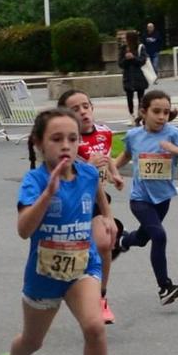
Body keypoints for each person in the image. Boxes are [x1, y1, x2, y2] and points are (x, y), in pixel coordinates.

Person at [0, 107, 124, 355]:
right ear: (39, 143)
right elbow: (24, 230)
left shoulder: (87, 173)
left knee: (95, 326)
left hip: (82, 265)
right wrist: (48, 193)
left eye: (73, 138)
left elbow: (97, 193)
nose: (66, 145)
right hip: (44, 274)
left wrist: (107, 217)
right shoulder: (34, 181)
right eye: (56, 139)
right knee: (32, 341)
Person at [113, 90, 178, 306]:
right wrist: (110, 169)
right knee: (158, 236)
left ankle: (121, 241)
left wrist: (175, 149)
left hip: (163, 198)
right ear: (143, 112)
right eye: (156, 111)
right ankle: (164, 287)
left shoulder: (174, 133)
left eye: (166, 112)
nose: (161, 117)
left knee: (142, 238)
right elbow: (127, 155)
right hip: (140, 199)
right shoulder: (134, 136)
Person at [58, 88, 123, 324]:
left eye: (86, 106)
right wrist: (86, 165)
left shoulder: (105, 132)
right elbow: (65, 174)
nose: (83, 112)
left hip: (96, 199)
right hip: (72, 204)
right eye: (75, 109)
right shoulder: (66, 141)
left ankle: (101, 297)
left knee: (105, 243)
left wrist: (114, 174)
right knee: (78, 253)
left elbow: (108, 156)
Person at [117, 32, 149, 120]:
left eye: (126, 38)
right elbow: (120, 64)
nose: (124, 40)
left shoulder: (140, 47)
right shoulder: (123, 49)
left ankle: (140, 115)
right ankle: (131, 115)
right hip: (128, 76)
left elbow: (142, 61)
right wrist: (126, 59)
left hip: (139, 76)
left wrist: (133, 58)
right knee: (129, 98)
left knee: (141, 98)